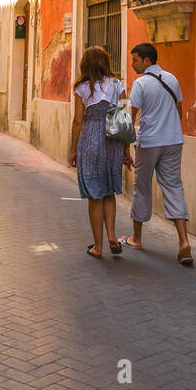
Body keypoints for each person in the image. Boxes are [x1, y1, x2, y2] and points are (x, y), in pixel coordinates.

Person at [120, 42, 193, 266]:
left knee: (142, 188)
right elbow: (179, 110)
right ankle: (183, 242)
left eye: (135, 60)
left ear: (147, 61)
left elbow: (130, 118)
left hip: (150, 142)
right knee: (174, 187)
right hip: (173, 140)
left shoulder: (140, 84)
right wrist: (168, 128)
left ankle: (137, 238)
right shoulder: (172, 78)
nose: (132, 65)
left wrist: (125, 148)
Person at [68, 46, 132, 259]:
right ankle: (112, 236)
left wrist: (73, 149)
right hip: (113, 140)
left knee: (95, 195)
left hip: (91, 138)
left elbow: (78, 121)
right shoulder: (118, 84)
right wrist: (126, 149)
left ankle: (98, 246)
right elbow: (124, 118)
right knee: (108, 193)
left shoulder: (82, 87)